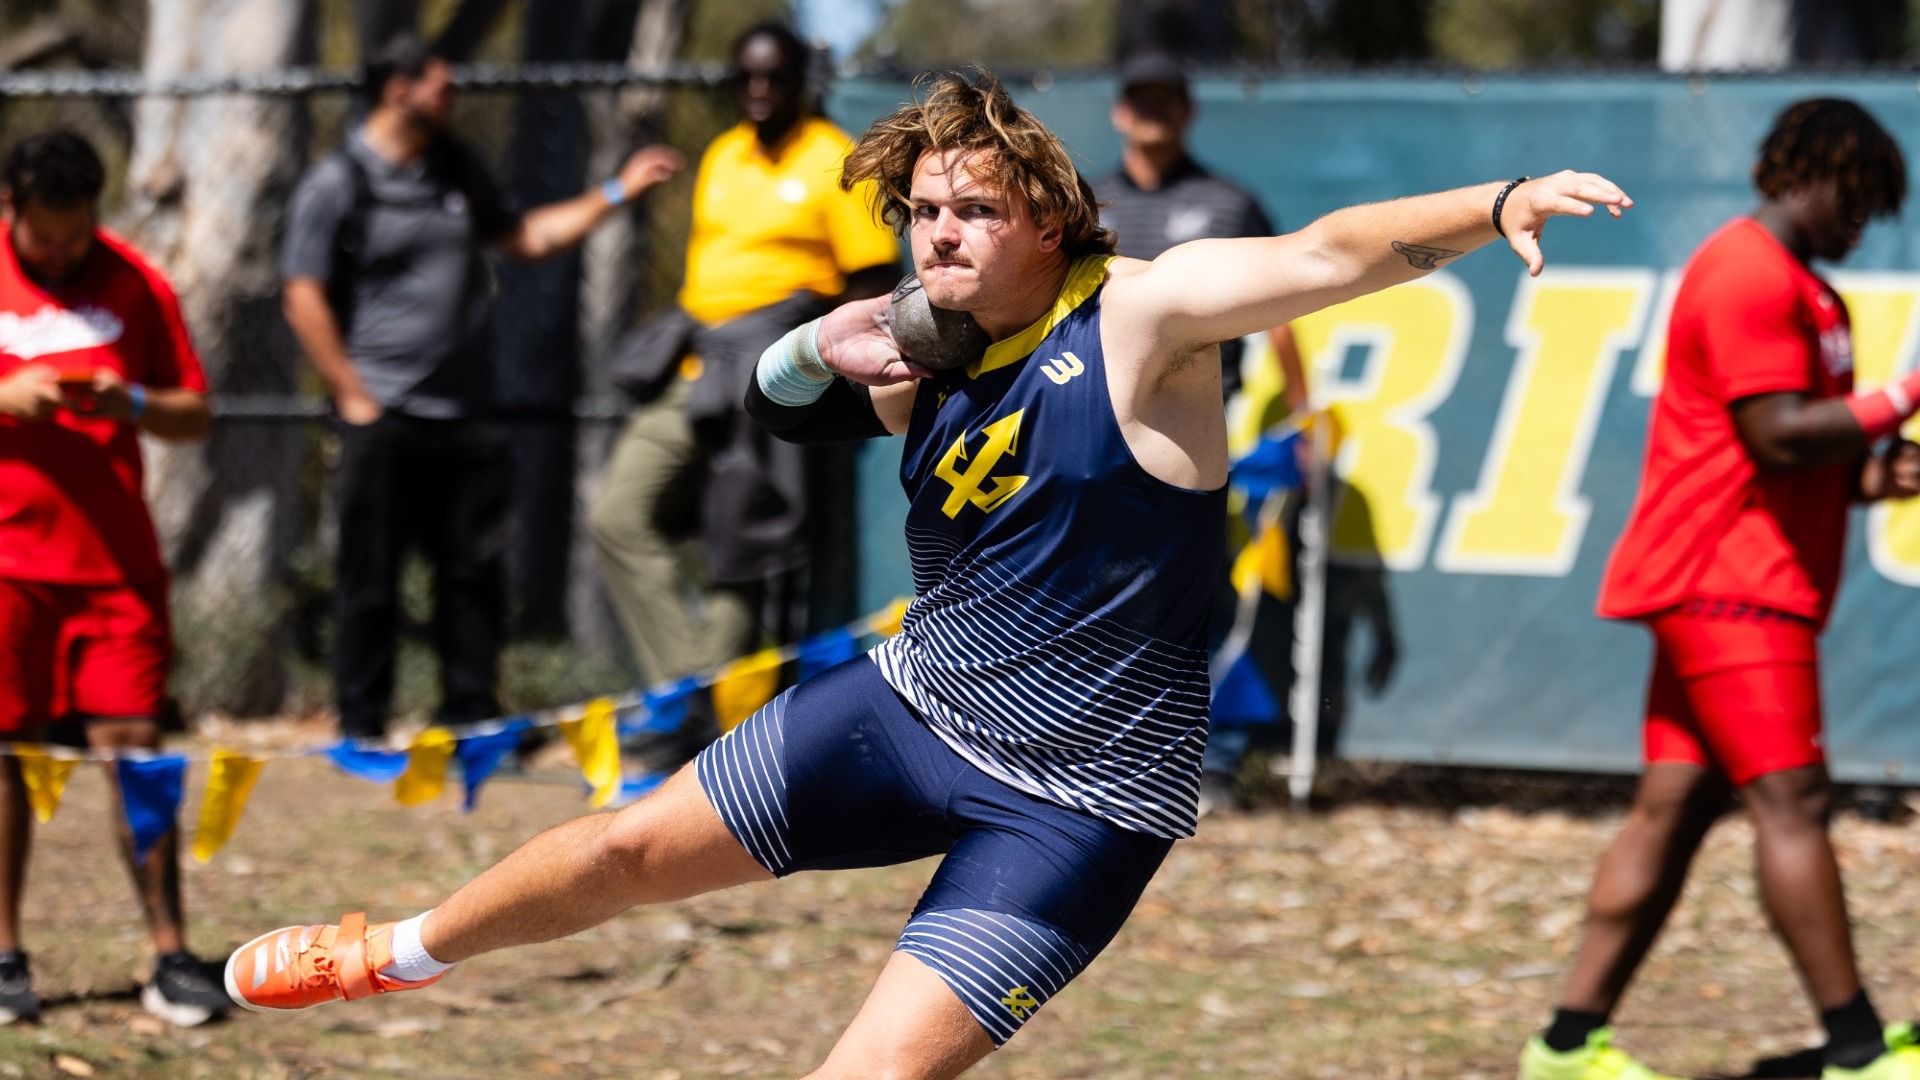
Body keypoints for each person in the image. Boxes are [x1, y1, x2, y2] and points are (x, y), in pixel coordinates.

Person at [225, 69, 1628, 1079]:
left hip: (1078, 805)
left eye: (973, 211)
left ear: (1048, 218)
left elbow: (1328, 254)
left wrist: (1493, 198)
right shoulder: (922, 344)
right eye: (921, 212)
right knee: (617, 847)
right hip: (903, 713)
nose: (940, 232)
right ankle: (391, 950)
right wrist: (812, 347)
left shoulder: (1144, 313)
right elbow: (780, 396)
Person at [1518, 98, 1920, 1080]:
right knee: (1795, 801)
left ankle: (1567, 1046)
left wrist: (1873, 473)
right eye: (1856, 198)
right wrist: (1905, 395)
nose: (1861, 223)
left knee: (1675, 808)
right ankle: (1860, 1050)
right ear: (1803, 169)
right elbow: (1776, 431)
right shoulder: (1744, 269)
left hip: (1737, 578)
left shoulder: (1808, 291)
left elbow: (1783, 454)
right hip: (1728, 586)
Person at [281, 32, 682, 739]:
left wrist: (619, 189)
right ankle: (361, 726)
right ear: (398, 90)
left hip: (467, 413)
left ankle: (470, 724)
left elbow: (527, 237)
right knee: (368, 579)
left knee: (472, 578)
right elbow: (302, 294)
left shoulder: (456, 170)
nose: (454, 94)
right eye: (442, 82)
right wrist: (350, 392)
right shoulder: (339, 182)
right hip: (383, 412)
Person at [589, 21, 897, 752]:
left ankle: (708, 731)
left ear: (800, 83)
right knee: (617, 514)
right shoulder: (723, 154)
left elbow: (874, 279)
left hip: (777, 375)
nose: (759, 93)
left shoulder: (835, 160)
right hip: (695, 370)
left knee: (743, 549)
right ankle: (690, 692)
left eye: (775, 79)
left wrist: (814, 360)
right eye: (746, 79)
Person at [0, 130, 228, 1026]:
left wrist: (123, 399)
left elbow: (195, 413)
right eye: (45, 239)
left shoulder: (133, 281)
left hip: (115, 567)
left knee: (135, 749)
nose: (62, 252)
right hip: (8, 563)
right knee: (6, 753)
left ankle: (170, 954)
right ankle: (6, 956)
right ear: (10, 208)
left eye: (76, 231)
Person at [1091, 51, 1314, 812]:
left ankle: (1210, 763)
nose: (1152, 111)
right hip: (1094, 427)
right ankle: (1103, 754)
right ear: (1120, 109)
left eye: (1167, 98)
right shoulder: (1085, 205)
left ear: (1188, 110)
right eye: (1139, 98)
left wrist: (1303, 417)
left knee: (1200, 597)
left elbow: (1280, 307)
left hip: (1194, 435)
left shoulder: (1228, 204)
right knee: (1099, 593)